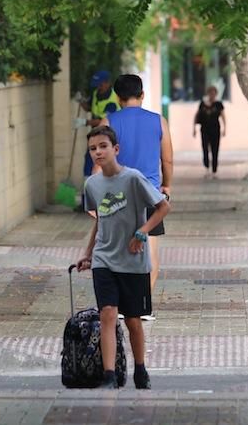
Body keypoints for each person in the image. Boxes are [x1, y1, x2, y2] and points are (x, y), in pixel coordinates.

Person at [77, 125, 170, 389]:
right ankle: (109, 375)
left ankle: (140, 369)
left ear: (115, 149)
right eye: (93, 149)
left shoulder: (133, 179)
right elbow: (100, 221)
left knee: (132, 321)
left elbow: (163, 207)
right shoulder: (92, 185)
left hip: (133, 263)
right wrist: (87, 254)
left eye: (103, 146)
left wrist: (142, 231)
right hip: (104, 259)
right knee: (107, 313)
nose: (98, 152)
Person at [100, 74, 173, 321]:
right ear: (142, 95)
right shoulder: (158, 122)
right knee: (149, 250)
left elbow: (99, 160)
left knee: (119, 251)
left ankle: (120, 306)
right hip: (150, 194)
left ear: (118, 98)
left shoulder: (108, 121)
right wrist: (167, 186)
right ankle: (143, 305)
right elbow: (168, 159)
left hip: (117, 193)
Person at [77, 70, 121, 178]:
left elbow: (105, 120)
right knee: (89, 159)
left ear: (107, 83)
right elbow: (89, 107)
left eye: (100, 84)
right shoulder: (96, 94)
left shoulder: (113, 99)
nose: (98, 87)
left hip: (108, 136)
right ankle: (88, 186)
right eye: (97, 85)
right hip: (95, 135)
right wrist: (80, 101)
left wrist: (85, 122)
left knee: (103, 161)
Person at [193, 85, 226, 178]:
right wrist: (194, 128)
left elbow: (223, 116)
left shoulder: (219, 104)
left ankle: (214, 170)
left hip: (215, 130)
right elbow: (196, 116)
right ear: (208, 94)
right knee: (205, 148)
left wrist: (225, 128)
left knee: (215, 149)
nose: (212, 95)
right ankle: (207, 167)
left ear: (216, 94)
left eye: (214, 93)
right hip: (204, 130)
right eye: (210, 93)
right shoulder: (202, 104)